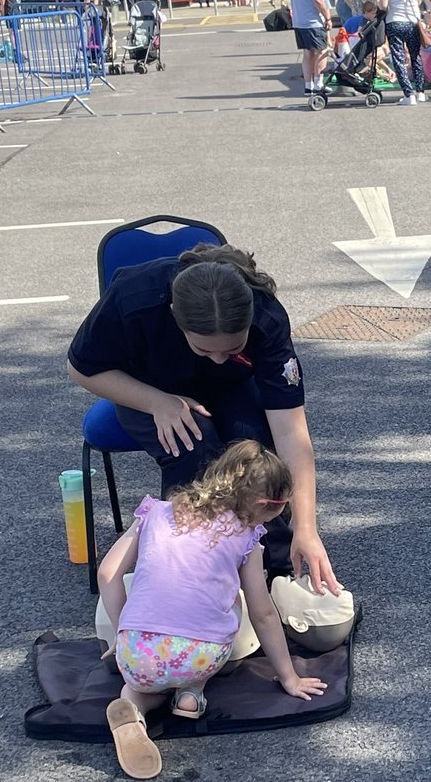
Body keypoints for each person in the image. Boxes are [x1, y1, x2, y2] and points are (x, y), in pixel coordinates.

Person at [67, 242, 341, 592]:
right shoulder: (134, 297)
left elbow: (291, 433)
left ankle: (280, 566)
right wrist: (157, 402)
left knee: (253, 451)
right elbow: (81, 368)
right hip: (148, 389)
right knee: (192, 446)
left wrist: (307, 528)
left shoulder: (265, 315)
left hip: (231, 388)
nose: (218, 358)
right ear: (174, 319)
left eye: (233, 348)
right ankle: (186, 570)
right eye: (204, 349)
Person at [98, 440, 330, 780]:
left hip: (137, 652)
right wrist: (288, 676)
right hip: (201, 654)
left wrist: (121, 633)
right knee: (230, 600)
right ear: (264, 506)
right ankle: (192, 692)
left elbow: (107, 573)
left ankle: (133, 704)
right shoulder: (246, 536)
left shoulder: (155, 512)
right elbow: (263, 611)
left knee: (144, 677)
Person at [379, 0, 425, 105]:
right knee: (415, 56)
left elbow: (383, 4)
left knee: (398, 58)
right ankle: (420, 91)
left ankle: (408, 94)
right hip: (413, 21)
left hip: (395, 21)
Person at [287, 0, 333, 94]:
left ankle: (308, 85)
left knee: (308, 53)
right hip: (313, 20)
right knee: (322, 50)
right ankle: (318, 83)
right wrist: (327, 17)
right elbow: (318, 0)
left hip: (299, 20)